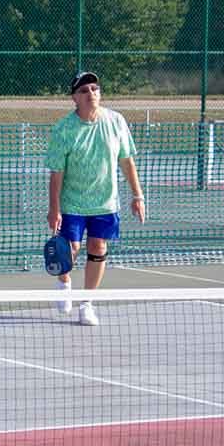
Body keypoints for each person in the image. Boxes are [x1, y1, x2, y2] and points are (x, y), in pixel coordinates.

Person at [45, 71, 145, 326]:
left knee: (98, 248)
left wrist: (137, 195)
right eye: (84, 90)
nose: (91, 93)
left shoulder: (116, 121)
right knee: (71, 249)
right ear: (74, 99)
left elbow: (126, 160)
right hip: (73, 202)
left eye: (94, 89)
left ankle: (87, 303)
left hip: (105, 202)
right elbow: (56, 173)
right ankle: (64, 282)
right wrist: (54, 209)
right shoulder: (64, 129)